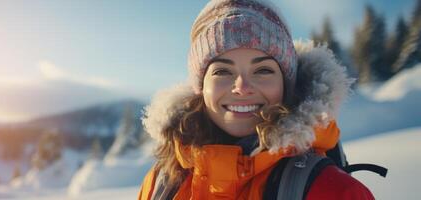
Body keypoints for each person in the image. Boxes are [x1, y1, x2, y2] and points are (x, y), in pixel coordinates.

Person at [139, 0, 375, 199]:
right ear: (201, 87)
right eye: (222, 71)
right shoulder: (162, 183)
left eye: (262, 70)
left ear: (286, 84)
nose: (241, 87)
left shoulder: (336, 192)